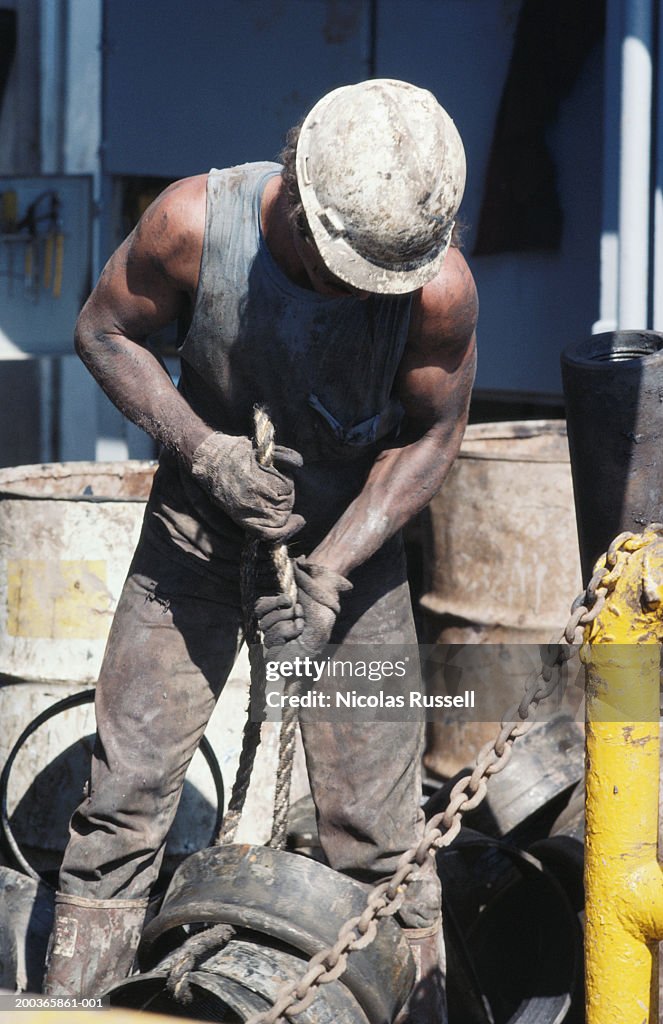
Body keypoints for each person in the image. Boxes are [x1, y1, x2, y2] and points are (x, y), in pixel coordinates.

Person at [42, 78, 477, 1023]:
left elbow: (432, 436)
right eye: (343, 268)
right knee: (122, 812)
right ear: (299, 195)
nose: (362, 295)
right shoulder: (192, 225)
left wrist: (333, 569)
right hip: (191, 544)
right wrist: (203, 448)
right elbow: (104, 331)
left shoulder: (437, 289)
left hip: (349, 573)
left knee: (381, 841)